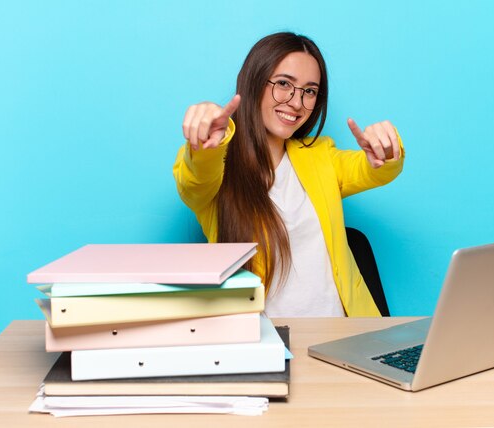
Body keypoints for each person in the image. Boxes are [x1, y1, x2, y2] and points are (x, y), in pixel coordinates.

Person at [173, 32, 404, 317]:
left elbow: (372, 170)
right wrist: (210, 143)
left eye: (309, 91)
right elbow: (195, 179)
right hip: (262, 346)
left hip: (343, 340)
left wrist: (385, 150)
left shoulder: (320, 156)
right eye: (284, 84)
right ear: (254, 81)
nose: (296, 102)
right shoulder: (217, 168)